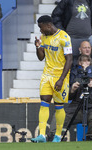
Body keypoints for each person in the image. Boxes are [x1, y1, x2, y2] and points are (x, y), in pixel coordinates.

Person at [30, 15, 72, 143]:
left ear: (48, 25)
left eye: (41, 27)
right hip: (47, 75)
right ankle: (42, 135)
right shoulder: (44, 37)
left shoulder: (64, 37)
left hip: (60, 76)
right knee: (44, 101)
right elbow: (41, 57)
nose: (40, 30)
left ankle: (58, 136)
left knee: (59, 105)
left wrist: (61, 79)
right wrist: (38, 47)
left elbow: (69, 59)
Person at [49, 55, 92, 141]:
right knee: (59, 115)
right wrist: (72, 90)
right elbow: (68, 97)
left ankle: (90, 138)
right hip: (76, 109)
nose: (89, 79)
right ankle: (52, 136)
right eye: (88, 77)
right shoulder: (79, 80)